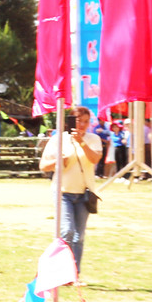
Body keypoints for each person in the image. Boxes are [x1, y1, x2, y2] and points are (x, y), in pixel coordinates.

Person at [38, 106, 102, 274]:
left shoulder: (93, 139)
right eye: (78, 121)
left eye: (86, 122)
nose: (82, 125)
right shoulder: (58, 139)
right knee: (67, 231)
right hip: (63, 192)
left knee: (78, 236)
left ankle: (74, 273)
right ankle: (61, 271)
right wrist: (59, 161)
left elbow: (95, 158)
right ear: (70, 121)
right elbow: (43, 165)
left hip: (84, 193)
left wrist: (81, 142)